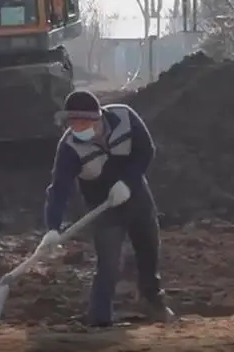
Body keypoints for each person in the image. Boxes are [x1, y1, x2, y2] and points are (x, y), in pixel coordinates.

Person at [39, 89, 174, 327]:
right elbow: (59, 188)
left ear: (97, 118)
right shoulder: (69, 148)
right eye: (73, 123)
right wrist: (52, 227)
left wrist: (128, 182)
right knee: (109, 261)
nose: (77, 128)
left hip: (136, 193)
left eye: (82, 123)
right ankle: (100, 317)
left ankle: (151, 299)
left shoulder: (124, 117)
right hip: (102, 205)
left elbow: (146, 151)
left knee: (148, 247)